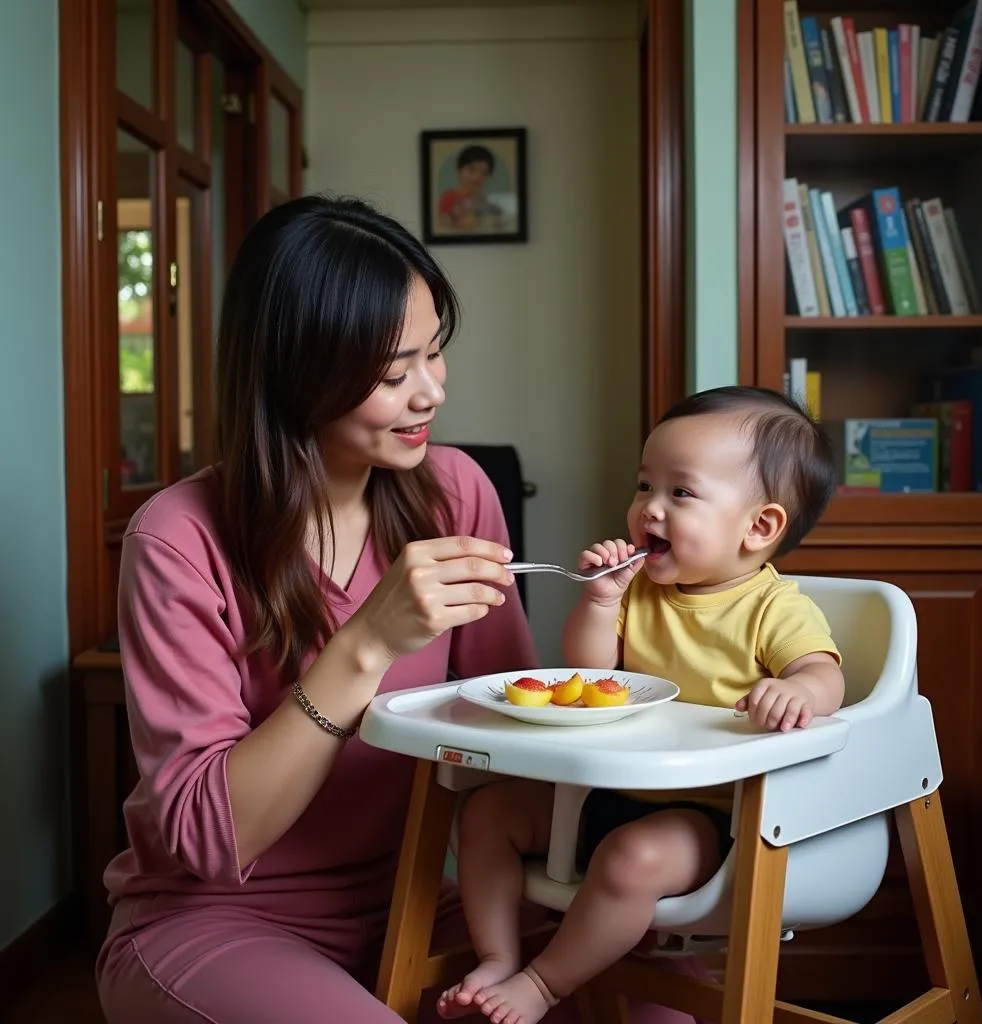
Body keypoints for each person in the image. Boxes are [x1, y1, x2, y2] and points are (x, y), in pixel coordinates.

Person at [96, 193, 702, 1024]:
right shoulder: (176, 538)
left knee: (661, 1010)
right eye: (392, 374)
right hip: (212, 917)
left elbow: (517, 728)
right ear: (297, 375)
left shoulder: (455, 491)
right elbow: (210, 838)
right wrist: (367, 643)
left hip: (408, 900)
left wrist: (630, 857)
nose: (430, 393)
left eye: (436, 354)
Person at [440, 386, 846, 1024]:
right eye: (643, 485)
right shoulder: (640, 592)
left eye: (680, 493)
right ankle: (497, 955)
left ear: (759, 526)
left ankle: (543, 985)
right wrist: (600, 603)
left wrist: (796, 691)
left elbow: (823, 674)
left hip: (709, 817)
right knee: (487, 813)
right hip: (604, 791)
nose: (648, 509)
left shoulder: (774, 608)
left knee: (633, 859)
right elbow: (588, 672)